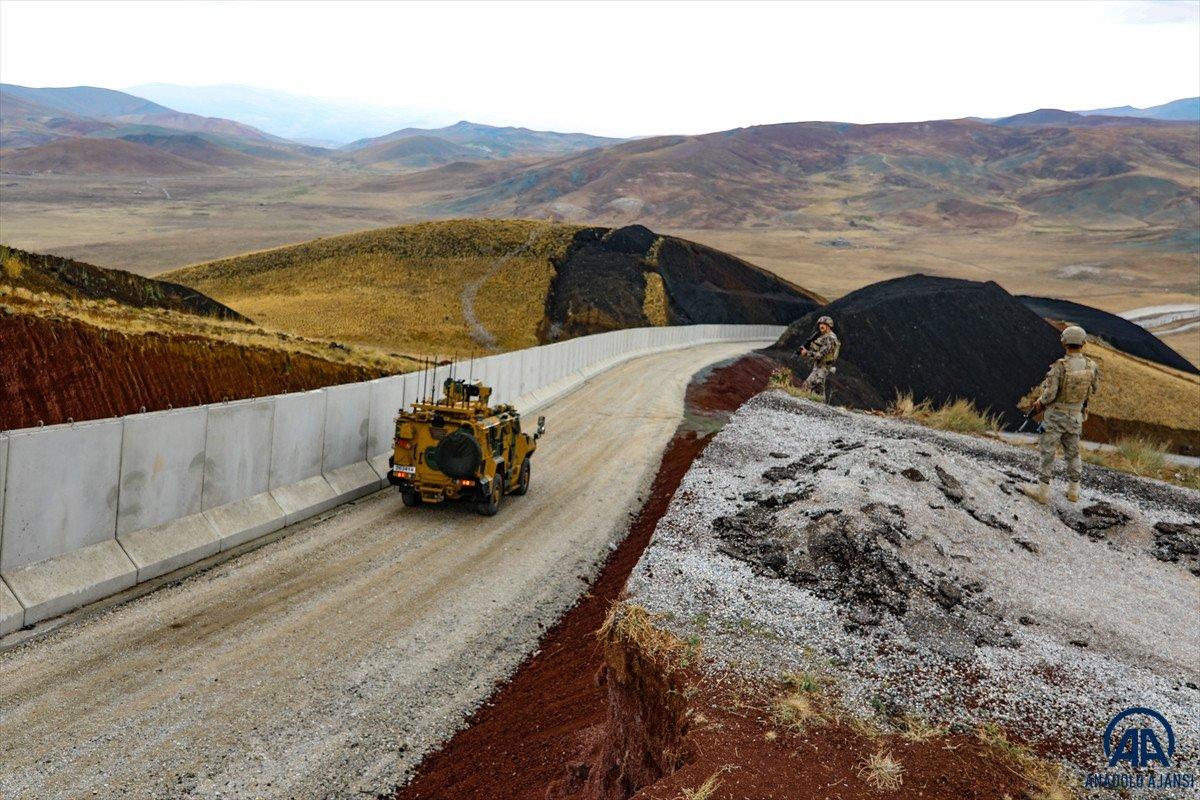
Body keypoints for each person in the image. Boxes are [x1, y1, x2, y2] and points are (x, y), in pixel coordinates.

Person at [1021, 325, 1099, 504]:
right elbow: (1094, 388)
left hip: (1056, 417)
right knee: (1073, 453)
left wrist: (1040, 402)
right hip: (1076, 417)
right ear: (1083, 343)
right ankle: (1073, 492)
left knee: (1047, 452)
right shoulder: (1091, 366)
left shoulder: (1060, 367)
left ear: (1064, 342)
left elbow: (1049, 395)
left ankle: (1042, 492)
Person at [799, 315, 840, 399]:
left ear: (829, 326)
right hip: (819, 366)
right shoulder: (823, 336)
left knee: (806, 387)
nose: (821, 326)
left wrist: (807, 353)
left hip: (822, 367)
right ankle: (821, 407)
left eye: (824, 324)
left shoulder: (830, 338)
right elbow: (817, 349)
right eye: (820, 324)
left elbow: (819, 355)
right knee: (818, 390)